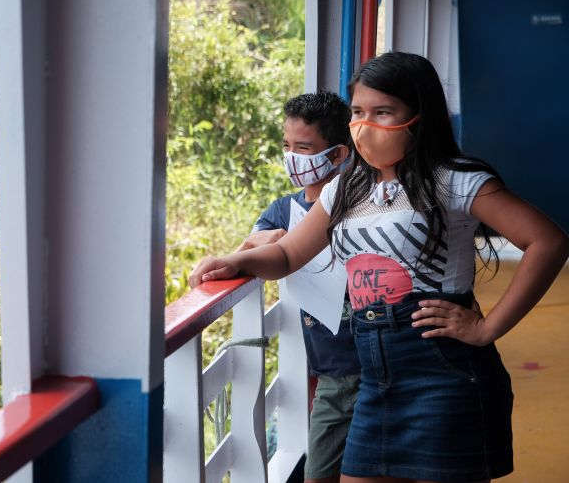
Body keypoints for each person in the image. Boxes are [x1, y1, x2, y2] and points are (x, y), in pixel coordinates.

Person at [189, 52, 569, 483]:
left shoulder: (454, 180)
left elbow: (547, 241)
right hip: (375, 376)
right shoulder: (346, 188)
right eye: (357, 112)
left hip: (442, 371)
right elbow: (288, 255)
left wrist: (487, 328)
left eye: (382, 112)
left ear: (418, 118)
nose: (365, 125)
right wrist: (234, 261)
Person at [238, 92, 358, 483]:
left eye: (303, 148)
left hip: (359, 363)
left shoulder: (359, 202)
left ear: (338, 155)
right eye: (287, 146)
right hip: (325, 367)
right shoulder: (280, 210)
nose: (292, 157)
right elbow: (253, 247)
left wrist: (277, 242)